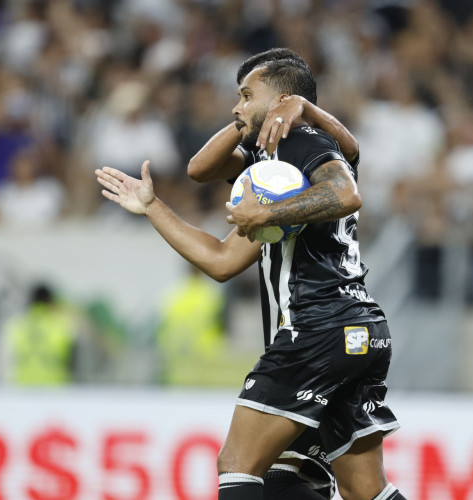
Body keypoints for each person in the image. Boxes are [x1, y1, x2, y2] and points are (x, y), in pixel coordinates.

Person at [96, 49, 405, 500]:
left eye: (245, 95)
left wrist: (268, 205)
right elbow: (220, 254)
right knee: (352, 487)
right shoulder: (280, 169)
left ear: (281, 98)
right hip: (358, 332)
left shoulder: (302, 143)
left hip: (316, 328)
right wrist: (152, 207)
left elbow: (345, 192)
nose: (236, 106)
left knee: (237, 466)